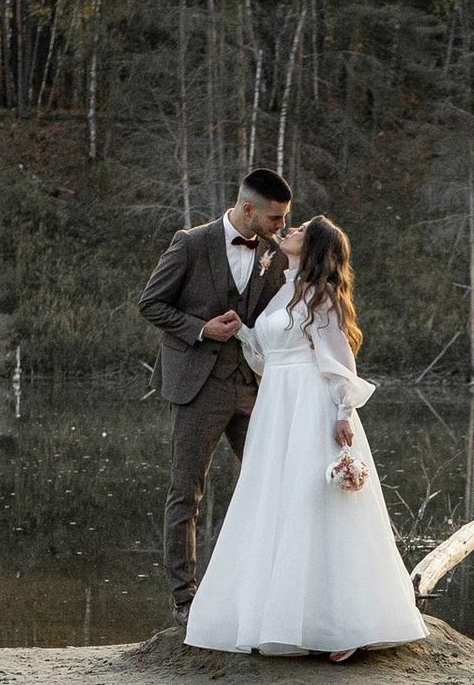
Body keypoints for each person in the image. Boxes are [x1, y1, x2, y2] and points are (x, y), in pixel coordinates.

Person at [181, 217, 428, 661]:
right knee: (275, 500)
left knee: (316, 503)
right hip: (276, 405)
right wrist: (242, 329)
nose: (289, 230)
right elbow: (267, 356)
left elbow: (338, 359)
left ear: (313, 246)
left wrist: (342, 410)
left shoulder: (321, 296)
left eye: (299, 229)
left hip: (310, 404)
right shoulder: (285, 287)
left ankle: (343, 626)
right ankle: (274, 615)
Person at [139, 180, 291, 619]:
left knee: (273, 485)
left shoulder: (275, 252)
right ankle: (185, 598)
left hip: (252, 388)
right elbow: (150, 304)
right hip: (198, 387)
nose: (282, 226)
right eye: (275, 217)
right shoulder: (190, 244)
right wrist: (202, 328)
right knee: (186, 492)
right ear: (247, 208)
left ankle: (260, 588)